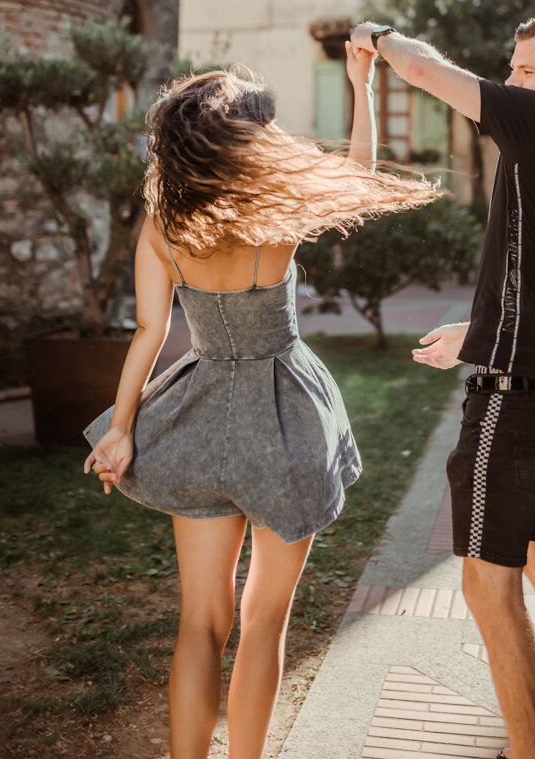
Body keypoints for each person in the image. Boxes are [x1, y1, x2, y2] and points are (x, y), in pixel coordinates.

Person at [83, 44, 437, 759]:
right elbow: (362, 177)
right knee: (264, 619)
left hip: (201, 414)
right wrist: (359, 84)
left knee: (199, 622)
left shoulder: (164, 222)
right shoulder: (275, 208)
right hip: (285, 416)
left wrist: (122, 428)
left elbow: (151, 331)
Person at [350, 17, 535, 759]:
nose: (512, 80)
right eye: (512, 65)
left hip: (514, 398)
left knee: (484, 587)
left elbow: (429, 73)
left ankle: (530, 752)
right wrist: (480, 325)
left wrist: (380, 37)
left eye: (528, 69)